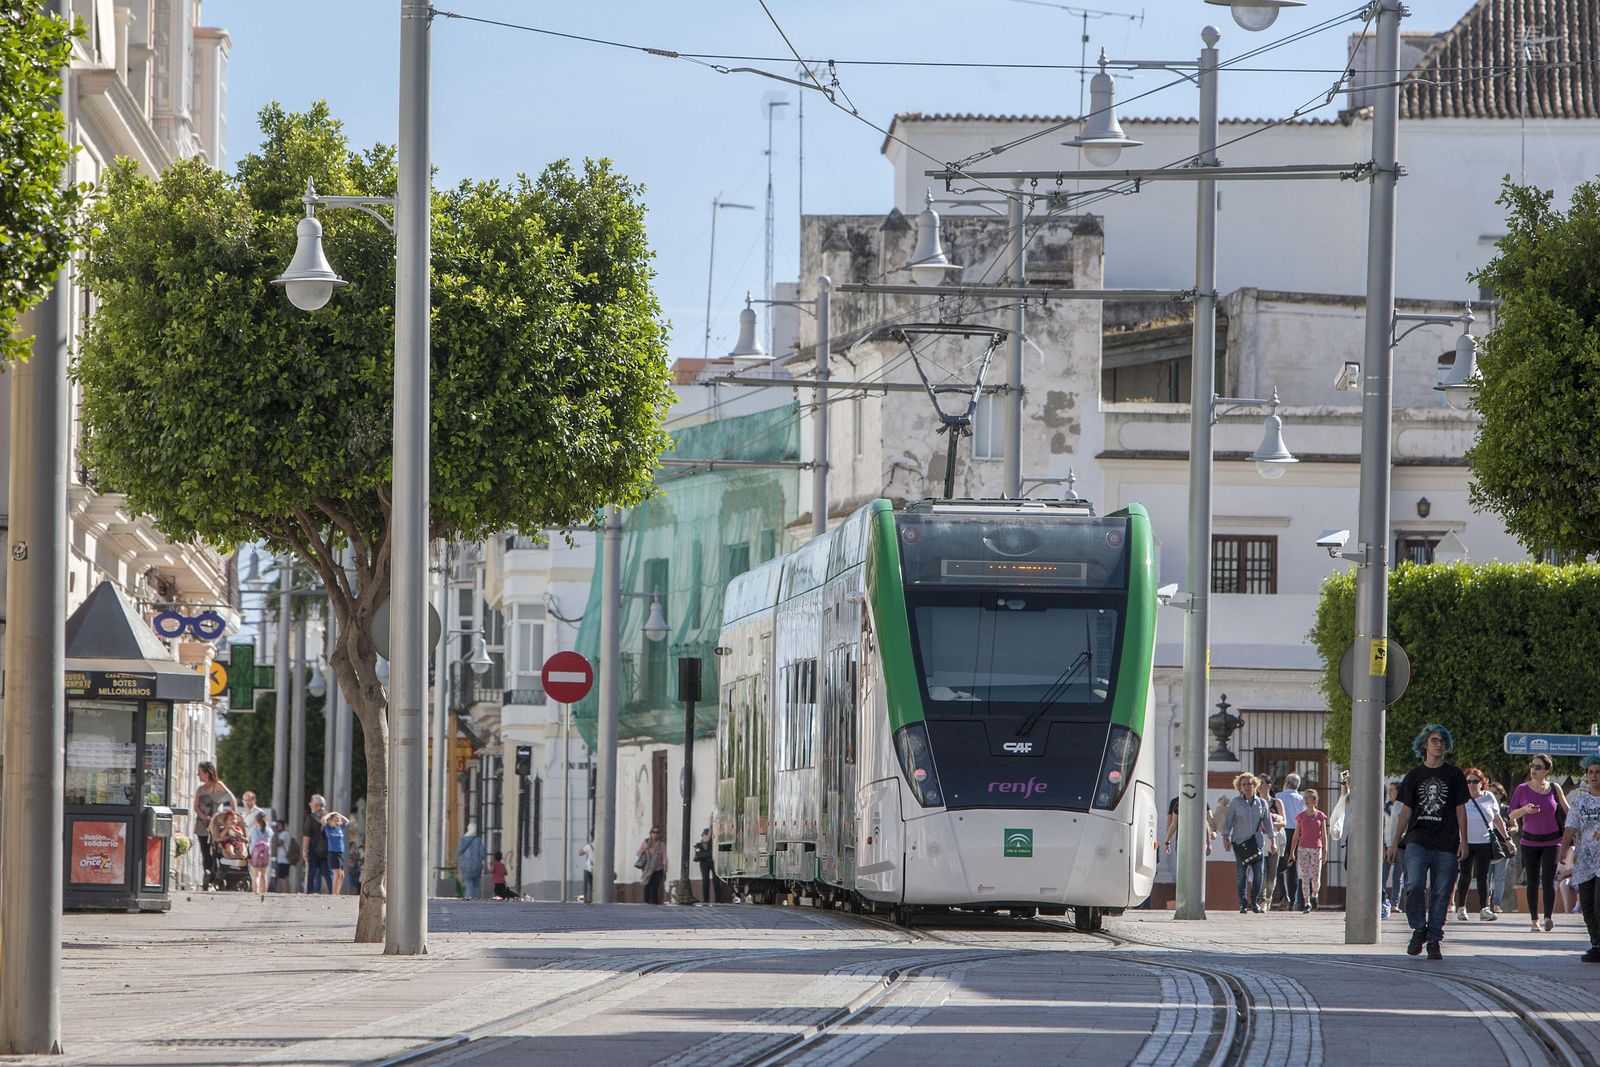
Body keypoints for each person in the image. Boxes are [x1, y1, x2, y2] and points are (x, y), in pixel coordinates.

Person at [1386, 723, 1469, 960]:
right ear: (1424, 744)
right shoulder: (1414, 775)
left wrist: (1464, 840)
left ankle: (1434, 938)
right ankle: (1419, 929)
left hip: (1447, 841)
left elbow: (1460, 809)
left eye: (1442, 741)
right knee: (1413, 886)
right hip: (1417, 841)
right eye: (1434, 740)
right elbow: (1405, 812)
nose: (1439, 744)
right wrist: (1393, 843)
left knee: (1442, 892)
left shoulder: (1454, 775)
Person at [1512, 753, 1569, 932]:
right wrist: (1524, 810)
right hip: (1529, 841)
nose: (1533, 770)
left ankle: (1548, 917)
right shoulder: (1522, 788)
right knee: (1533, 880)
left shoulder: (1554, 788)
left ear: (1547, 770)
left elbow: (1568, 811)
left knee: (1548, 879)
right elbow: (1512, 814)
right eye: (1532, 765)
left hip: (1553, 841)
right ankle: (1534, 919)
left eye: (1538, 767)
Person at [1559, 756, 1600, 962]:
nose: (1594, 776)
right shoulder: (1580, 801)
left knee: (1599, 901)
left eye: (1598, 772)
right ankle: (1596, 943)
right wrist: (1563, 848)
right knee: (1587, 903)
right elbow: (1571, 826)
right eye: (1591, 772)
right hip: (1584, 860)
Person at [1455, 768, 1510, 922]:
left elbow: (1497, 818)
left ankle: (1484, 909)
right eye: (1468, 781)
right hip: (1465, 842)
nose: (1472, 784)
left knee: (1483, 876)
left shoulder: (1489, 797)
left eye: (1475, 781)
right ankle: (1461, 908)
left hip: (1484, 842)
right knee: (1465, 875)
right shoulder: (1460, 799)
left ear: (1482, 783)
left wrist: (1507, 838)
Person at [1221, 773, 1275, 914]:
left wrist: (1273, 841)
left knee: (1259, 874)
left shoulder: (1262, 803)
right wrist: (1225, 838)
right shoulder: (1235, 803)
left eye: (1250, 784)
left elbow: (1268, 824)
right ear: (1240, 786)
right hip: (1240, 844)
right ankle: (1243, 903)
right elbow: (1228, 822)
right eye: (1244, 784)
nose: (1247, 787)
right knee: (1241, 875)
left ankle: (1254, 901)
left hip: (1257, 844)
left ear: (1255, 785)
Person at [191, 761, 235, 891]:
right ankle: (208, 874)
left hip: (215, 825)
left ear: (207, 773)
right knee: (205, 852)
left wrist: (233, 816)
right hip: (202, 824)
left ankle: (216, 874)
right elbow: (195, 807)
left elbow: (231, 798)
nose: (198, 775)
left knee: (216, 850)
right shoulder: (200, 790)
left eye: (200, 772)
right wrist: (203, 816)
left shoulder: (218, 785)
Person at [1276, 774, 1307, 908]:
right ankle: (1293, 900)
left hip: (1283, 832)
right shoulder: (1302, 799)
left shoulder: (1278, 797)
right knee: (1293, 867)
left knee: (1278, 866)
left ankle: (1284, 895)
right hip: (1297, 832)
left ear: (1286, 782)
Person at [1488, 781, 1512, 915]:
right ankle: (1486, 902)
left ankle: (1496, 904)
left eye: (1495, 793)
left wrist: (1509, 830)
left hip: (1502, 846)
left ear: (1501, 795)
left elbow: (1515, 826)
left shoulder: (1506, 809)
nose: (1492, 795)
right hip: (1487, 844)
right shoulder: (1484, 807)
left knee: (1499, 877)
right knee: (1486, 875)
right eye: (1490, 792)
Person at [1382, 781, 1405, 917]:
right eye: (1388, 790)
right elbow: (1383, 828)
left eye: (1392, 790)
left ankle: (1395, 903)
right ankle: (1382, 901)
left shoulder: (1403, 807)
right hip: (1387, 845)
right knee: (1383, 875)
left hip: (1400, 846)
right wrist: (1385, 846)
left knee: (1398, 876)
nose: (1389, 793)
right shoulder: (1384, 808)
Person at [302, 794, 330, 894]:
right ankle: (333, 891)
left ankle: (309, 892)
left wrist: (304, 850)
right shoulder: (329, 817)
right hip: (327, 850)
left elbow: (306, 836)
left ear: (317, 805)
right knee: (327, 873)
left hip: (313, 849)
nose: (310, 805)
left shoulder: (311, 818)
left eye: (312, 803)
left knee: (311, 873)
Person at [455, 822, 486, 899]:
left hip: (466, 866)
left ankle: (470, 898)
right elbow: (482, 854)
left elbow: (459, 852)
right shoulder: (478, 841)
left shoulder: (463, 840)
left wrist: (456, 861)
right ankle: (477, 900)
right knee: (477, 884)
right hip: (477, 866)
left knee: (468, 884)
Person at [638, 826, 667, 905]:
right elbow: (638, 853)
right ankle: (646, 901)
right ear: (650, 833)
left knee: (655, 886)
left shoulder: (661, 844)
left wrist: (665, 868)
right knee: (647, 885)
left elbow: (664, 856)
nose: (655, 834)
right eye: (653, 832)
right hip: (648, 868)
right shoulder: (646, 842)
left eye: (657, 832)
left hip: (658, 868)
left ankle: (655, 902)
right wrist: (645, 849)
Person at [322, 811, 349, 895]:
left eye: (338, 820)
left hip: (340, 852)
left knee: (342, 875)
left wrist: (338, 814)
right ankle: (334, 893)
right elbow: (323, 820)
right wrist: (331, 814)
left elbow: (347, 821)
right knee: (337, 874)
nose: (337, 822)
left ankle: (337, 892)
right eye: (335, 820)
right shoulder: (328, 828)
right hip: (333, 852)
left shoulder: (339, 828)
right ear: (331, 821)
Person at [247, 810, 272, 898]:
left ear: (256, 820)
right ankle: (264, 891)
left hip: (255, 854)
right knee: (264, 874)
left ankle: (256, 890)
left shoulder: (253, 830)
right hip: (266, 854)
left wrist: (249, 855)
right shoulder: (269, 831)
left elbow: (250, 842)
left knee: (256, 874)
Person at [694, 828, 716, 904]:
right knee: (705, 881)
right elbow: (697, 856)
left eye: (707, 836)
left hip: (712, 863)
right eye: (704, 835)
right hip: (704, 864)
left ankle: (718, 899)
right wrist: (707, 855)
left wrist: (704, 855)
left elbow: (702, 855)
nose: (705, 837)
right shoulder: (698, 845)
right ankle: (706, 899)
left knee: (716, 881)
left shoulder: (712, 845)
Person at [270, 819, 291, 893]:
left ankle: (285, 891)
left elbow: (279, 843)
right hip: (283, 859)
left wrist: (274, 836)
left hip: (283, 859)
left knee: (282, 877)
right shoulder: (285, 834)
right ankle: (286, 891)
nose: (277, 827)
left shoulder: (284, 834)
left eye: (278, 825)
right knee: (285, 876)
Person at [578, 837, 595, 902]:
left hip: (590, 868)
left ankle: (587, 898)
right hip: (601, 870)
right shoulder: (604, 845)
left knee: (589, 883)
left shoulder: (589, 846)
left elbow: (580, 853)